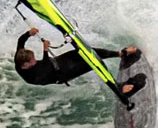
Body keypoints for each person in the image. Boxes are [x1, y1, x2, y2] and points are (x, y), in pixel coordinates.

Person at [14, 27, 144, 95]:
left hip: (59, 61)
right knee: (93, 62)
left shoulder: (19, 56)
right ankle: (119, 88)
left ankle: (120, 54)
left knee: (88, 51)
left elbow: (21, 41)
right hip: (62, 73)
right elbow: (45, 68)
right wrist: (45, 50)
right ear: (25, 66)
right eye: (32, 61)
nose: (34, 60)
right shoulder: (31, 76)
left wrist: (28, 33)